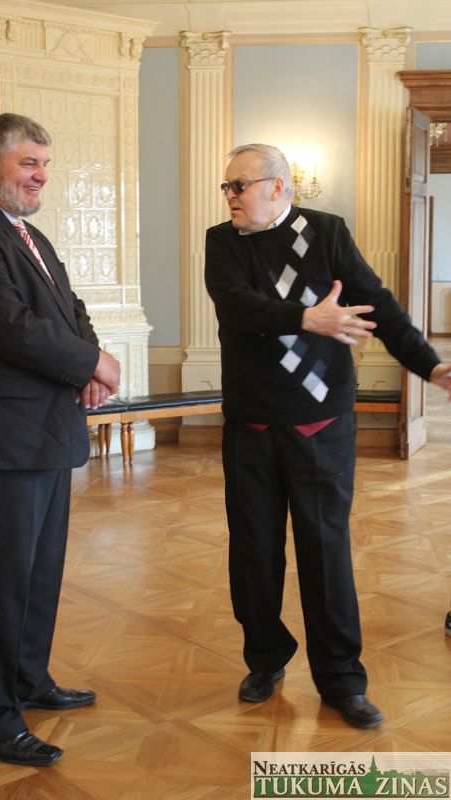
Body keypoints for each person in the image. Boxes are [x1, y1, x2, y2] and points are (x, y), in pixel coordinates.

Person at [205, 143, 451, 729]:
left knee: (325, 552)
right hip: (252, 424)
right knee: (254, 551)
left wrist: (431, 364)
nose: (230, 197)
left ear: (279, 187)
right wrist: (306, 317)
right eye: (227, 187)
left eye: (240, 185)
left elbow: (378, 304)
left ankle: (341, 679)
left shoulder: (327, 232)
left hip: (321, 424)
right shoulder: (223, 242)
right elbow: (236, 306)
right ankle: (265, 658)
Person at [0, 113, 120, 766]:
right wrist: (92, 363)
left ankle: (29, 680)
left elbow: (69, 310)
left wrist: (90, 361)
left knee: (37, 574)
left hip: (43, 430)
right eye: (29, 163)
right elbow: (11, 327)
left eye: (45, 164)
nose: (41, 176)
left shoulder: (26, 234)